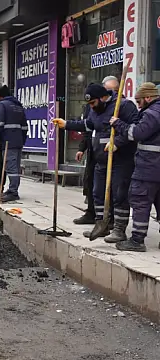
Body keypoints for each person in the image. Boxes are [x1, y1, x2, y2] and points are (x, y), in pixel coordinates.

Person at [54, 83, 139, 242]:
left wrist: (118, 142)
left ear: (102, 98)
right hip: (101, 160)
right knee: (97, 192)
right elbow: (87, 125)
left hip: (120, 160)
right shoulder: (95, 112)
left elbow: (136, 130)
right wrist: (66, 124)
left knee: (119, 194)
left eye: (93, 103)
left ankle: (119, 229)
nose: (91, 107)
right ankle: (101, 224)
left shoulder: (124, 106)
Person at [110, 82, 160, 251]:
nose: (138, 105)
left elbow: (137, 134)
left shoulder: (152, 114)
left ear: (148, 97)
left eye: (139, 102)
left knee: (140, 201)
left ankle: (137, 240)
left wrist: (118, 124)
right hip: (155, 167)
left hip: (149, 167)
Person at [73, 75, 121, 225]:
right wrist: (83, 147)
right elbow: (87, 127)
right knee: (92, 183)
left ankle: (109, 218)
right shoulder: (93, 106)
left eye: (113, 90)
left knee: (112, 188)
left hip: (112, 153)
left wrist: (117, 142)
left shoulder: (120, 105)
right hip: (95, 149)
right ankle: (92, 212)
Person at [0, 85, 28, 202]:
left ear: (1, 95)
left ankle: (13, 192)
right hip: (18, 140)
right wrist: (22, 140)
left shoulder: (2, 105)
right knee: (15, 166)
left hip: (8, 140)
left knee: (10, 166)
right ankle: (13, 189)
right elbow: (24, 126)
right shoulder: (18, 105)